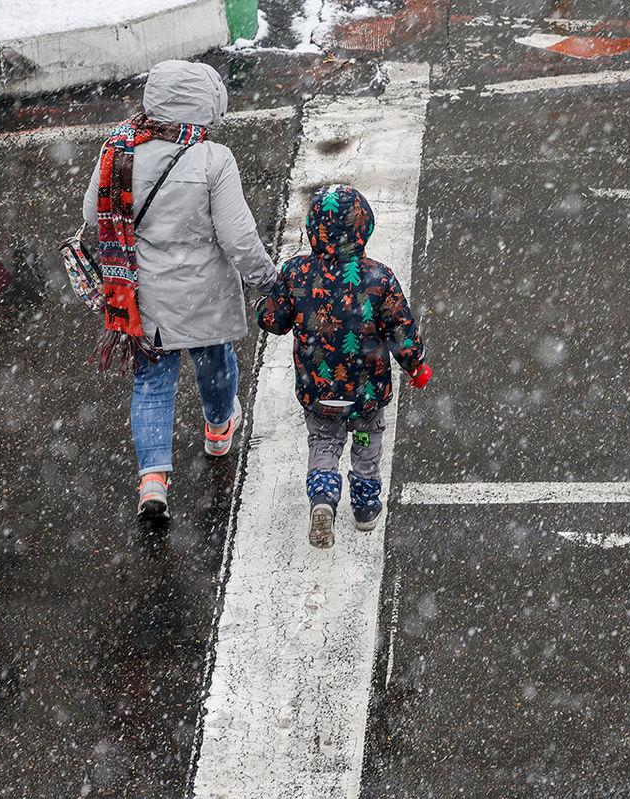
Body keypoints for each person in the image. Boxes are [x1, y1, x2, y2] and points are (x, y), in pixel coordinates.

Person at [81, 60, 277, 520]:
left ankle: (153, 481)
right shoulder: (213, 158)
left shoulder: (119, 149)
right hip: (204, 295)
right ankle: (217, 430)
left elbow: (94, 215)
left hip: (143, 298)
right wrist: (268, 279)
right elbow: (238, 238)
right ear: (204, 105)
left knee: (151, 384)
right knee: (214, 363)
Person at [257, 184, 431, 548]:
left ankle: (322, 499)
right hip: (365, 395)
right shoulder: (379, 278)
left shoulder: (296, 272)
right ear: (364, 227)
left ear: (312, 227)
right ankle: (365, 508)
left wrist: (264, 308)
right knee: (367, 444)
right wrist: (416, 366)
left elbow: (274, 321)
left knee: (323, 442)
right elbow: (401, 331)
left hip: (318, 391)